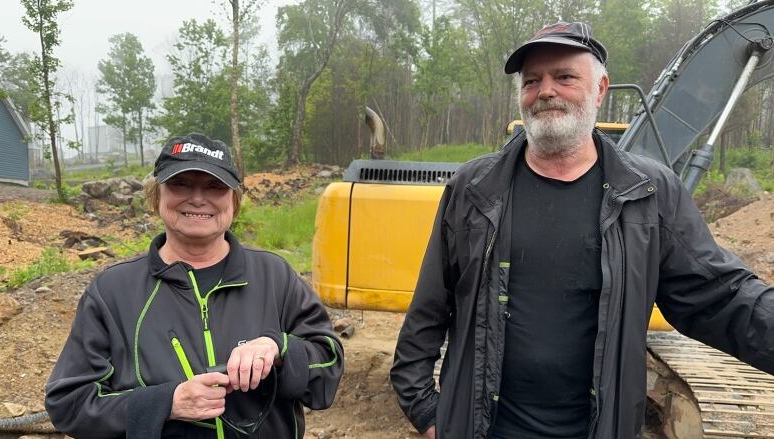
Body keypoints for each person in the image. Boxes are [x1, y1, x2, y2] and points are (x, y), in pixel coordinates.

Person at [390, 21, 774, 439]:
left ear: (601, 89)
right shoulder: (475, 189)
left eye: (565, 77)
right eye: (532, 81)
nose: (546, 91)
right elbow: (429, 307)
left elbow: (719, 296)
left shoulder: (649, 193)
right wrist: (426, 412)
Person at [45, 133, 343, 438]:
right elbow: (69, 403)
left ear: (234, 199)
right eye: (181, 184)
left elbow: (328, 366)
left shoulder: (275, 276)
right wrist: (166, 403)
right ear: (157, 195)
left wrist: (280, 348)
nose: (198, 198)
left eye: (215, 186)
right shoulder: (112, 291)